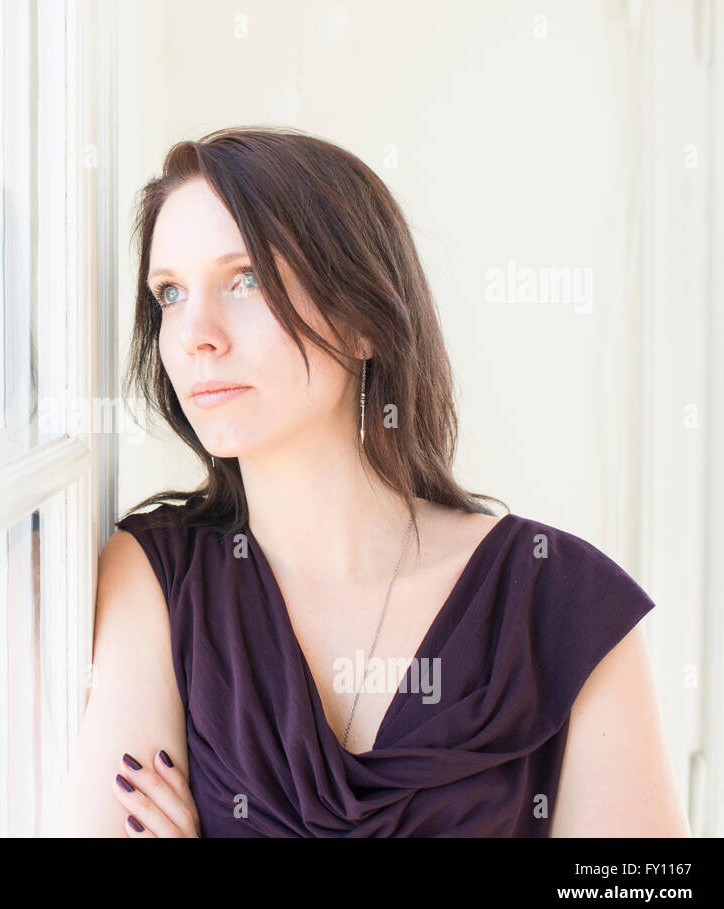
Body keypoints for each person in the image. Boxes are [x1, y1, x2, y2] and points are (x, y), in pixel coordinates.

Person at [59, 127, 689, 837]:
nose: (195, 333)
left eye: (247, 279)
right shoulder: (156, 577)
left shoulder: (559, 600)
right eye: (170, 293)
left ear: (364, 320)